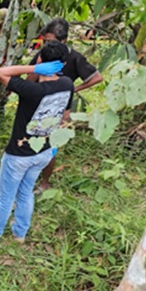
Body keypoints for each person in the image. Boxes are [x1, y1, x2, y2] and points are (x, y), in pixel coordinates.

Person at [0, 40, 74, 245]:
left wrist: (34, 67)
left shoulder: (31, 89)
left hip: (19, 153)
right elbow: (65, 117)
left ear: (42, 60)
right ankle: (19, 234)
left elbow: (0, 72)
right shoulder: (67, 84)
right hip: (44, 150)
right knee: (26, 191)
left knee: (6, 195)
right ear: (62, 64)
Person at [29, 18, 103, 190]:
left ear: (63, 40)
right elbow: (30, 77)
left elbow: (97, 77)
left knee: (51, 145)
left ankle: (44, 182)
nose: (46, 44)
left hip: (59, 108)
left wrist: (73, 89)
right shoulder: (43, 54)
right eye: (45, 41)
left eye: (50, 41)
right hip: (37, 103)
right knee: (27, 140)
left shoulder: (75, 58)